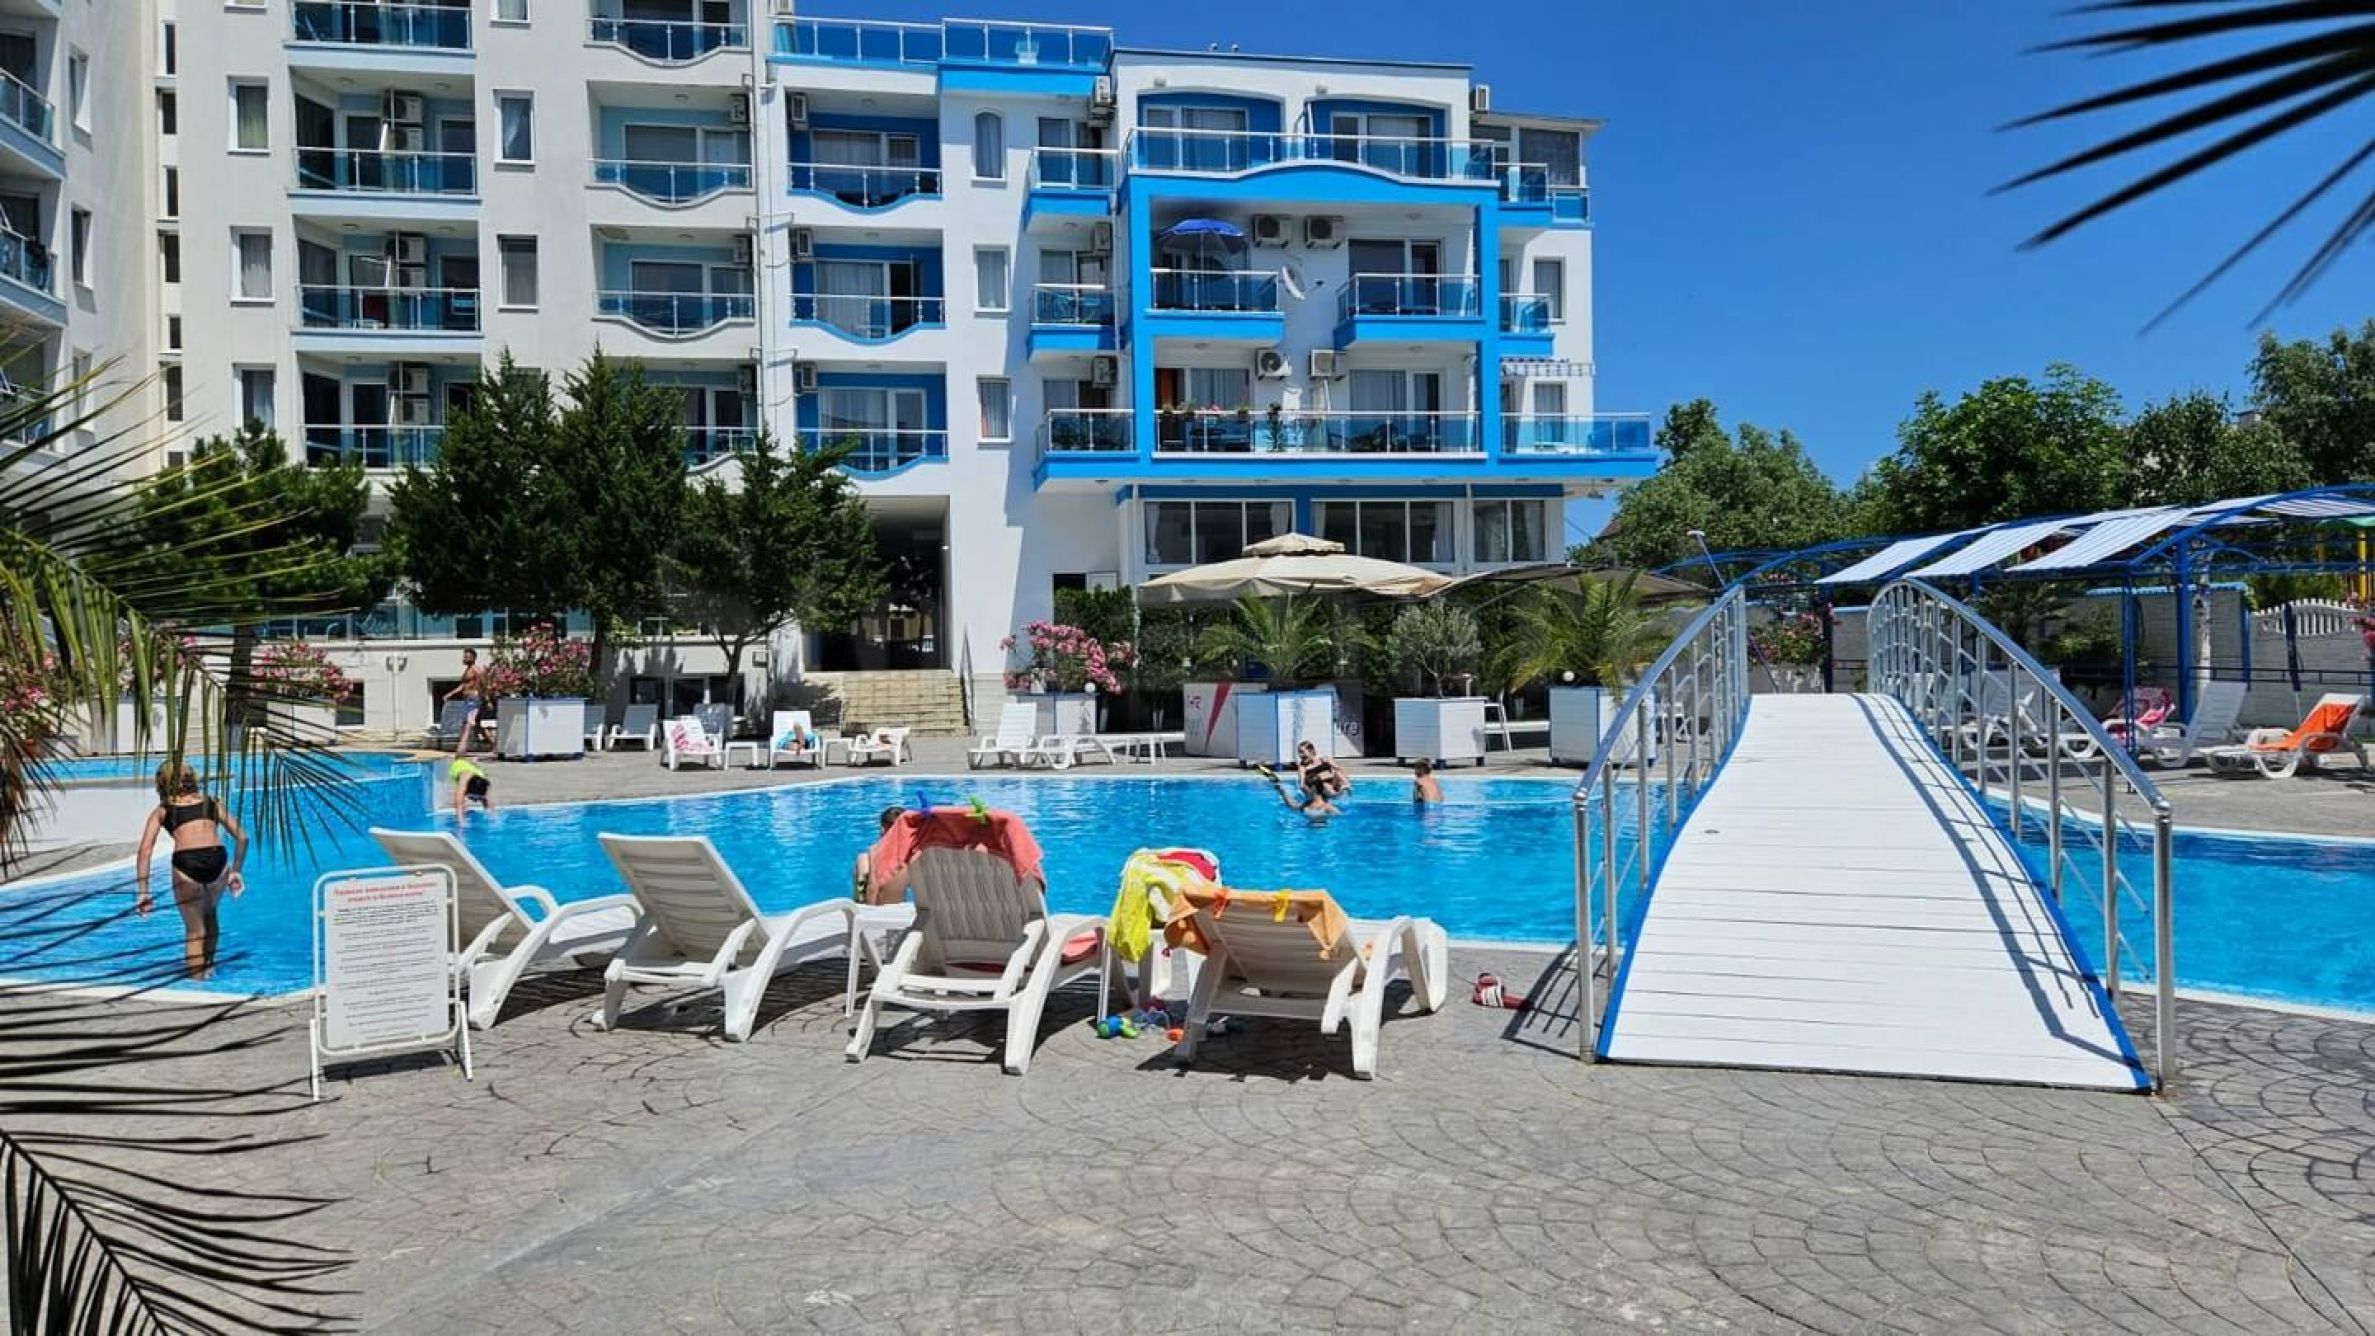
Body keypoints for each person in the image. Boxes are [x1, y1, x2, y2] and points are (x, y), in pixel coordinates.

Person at [133, 762, 247, 981]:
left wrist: (143, 892)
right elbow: (242, 837)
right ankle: (209, 971)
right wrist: (236, 871)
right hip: (217, 859)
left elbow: (145, 850)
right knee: (211, 917)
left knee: (195, 930)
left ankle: (197, 983)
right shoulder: (212, 803)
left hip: (187, 863)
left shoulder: (163, 810)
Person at [444, 647, 490, 757]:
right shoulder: (467, 671)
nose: (464, 658)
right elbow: (463, 685)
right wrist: (451, 694)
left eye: (466, 656)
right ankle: (494, 744)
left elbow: (484, 685)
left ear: (473, 658)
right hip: (468, 700)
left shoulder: (477, 670)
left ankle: (460, 751)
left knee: (467, 724)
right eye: (464, 656)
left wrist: (487, 700)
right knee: (476, 726)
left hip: (474, 700)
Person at [851, 805, 902, 901]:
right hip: (897, 908)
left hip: (868, 908)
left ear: (882, 829)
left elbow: (862, 896)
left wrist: (872, 858)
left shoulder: (864, 859)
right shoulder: (908, 862)